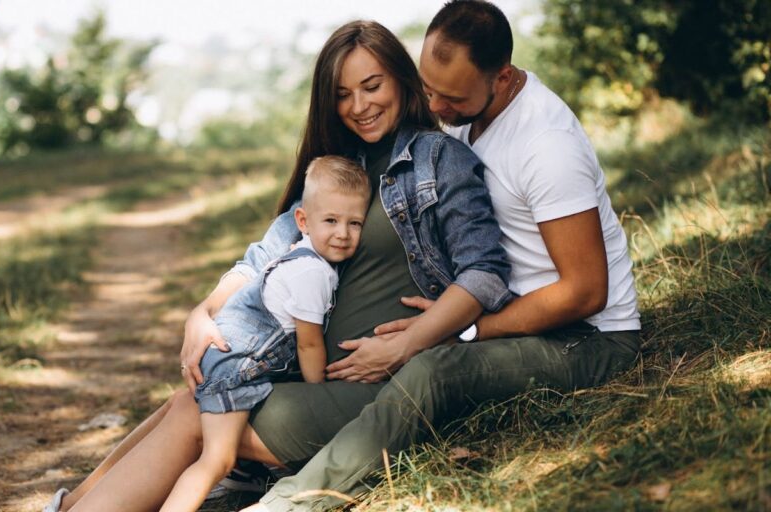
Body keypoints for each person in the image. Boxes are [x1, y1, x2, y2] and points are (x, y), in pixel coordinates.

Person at [43, 19, 512, 512]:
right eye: (342, 94)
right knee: (188, 400)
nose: (360, 106)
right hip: (306, 376)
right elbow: (263, 257)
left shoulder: (440, 160)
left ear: (401, 78)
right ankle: (70, 503)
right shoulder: (337, 166)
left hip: (379, 391)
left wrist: (406, 345)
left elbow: (483, 272)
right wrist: (201, 313)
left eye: (372, 86)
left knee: (193, 415)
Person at [246, 1, 641, 511]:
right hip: (521, 319)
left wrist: (464, 330)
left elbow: (585, 292)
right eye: (428, 88)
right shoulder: (465, 117)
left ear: (501, 79)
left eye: (450, 98)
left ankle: (290, 503)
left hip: (589, 340)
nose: (436, 108)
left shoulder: (545, 146)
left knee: (435, 369)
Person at [160, 155, 370, 512]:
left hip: (236, 360)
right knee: (216, 460)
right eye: (331, 220)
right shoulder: (311, 273)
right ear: (302, 220)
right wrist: (317, 393)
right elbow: (308, 343)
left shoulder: (305, 255)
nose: (342, 233)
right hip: (235, 366)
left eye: (355, 223)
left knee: (219, 457)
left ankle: (254, 472)